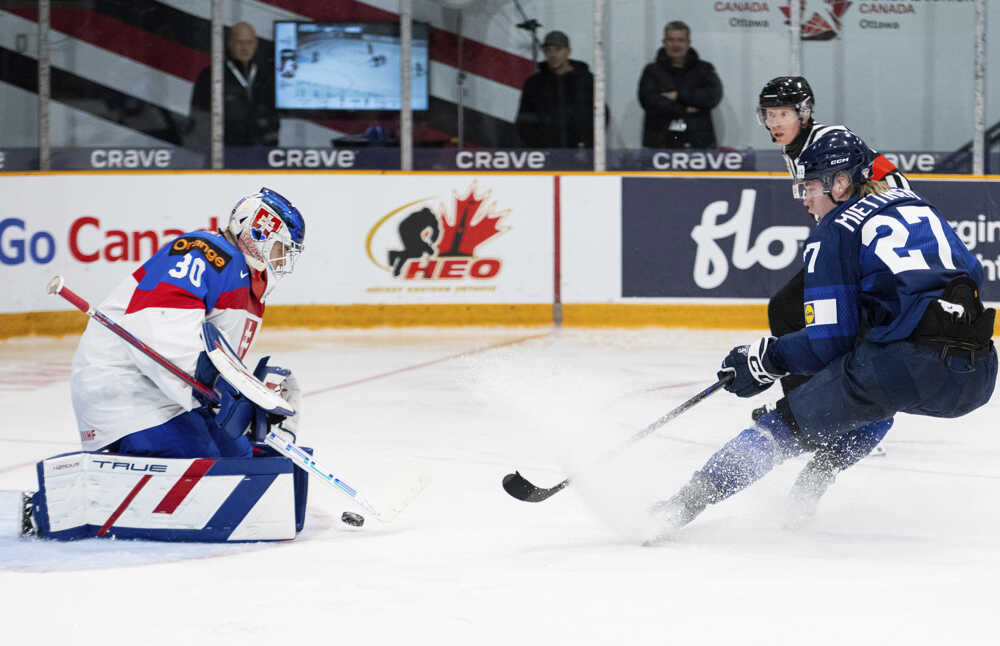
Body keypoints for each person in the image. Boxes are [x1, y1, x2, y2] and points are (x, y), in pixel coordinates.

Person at [649, 131, 997, 538]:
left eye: (810, 186)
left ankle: (679, 507)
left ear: (840, 182)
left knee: (787, 425)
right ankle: (816, 479)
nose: (805, 199)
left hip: (903, 370)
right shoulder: (917, 205)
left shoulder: (835, 230)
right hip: (977, 375)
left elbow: (827, 343)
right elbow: (971, 277)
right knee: (874, 380)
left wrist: (767, 359)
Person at [755, 76, 911, 513]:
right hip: (858, 239)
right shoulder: (799, 149)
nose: (775, 123)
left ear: (804, 113)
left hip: (873, 245)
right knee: (791, 309)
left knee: (797, 310)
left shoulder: (831, 139)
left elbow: (874, 189)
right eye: (769, 115)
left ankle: (820, 413)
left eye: (783, 114)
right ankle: (809, 407)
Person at [70, 187, 306, 459]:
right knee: (213, 467)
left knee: (243, 459)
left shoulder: (250, 284)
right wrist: (229, 391)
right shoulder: (202, 252)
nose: (284, 258)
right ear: (256, 231)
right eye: (281, 247)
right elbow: (158, 335)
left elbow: (212, 362)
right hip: (126, 393)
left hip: (167, 396)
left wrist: (254, 396)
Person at [189, 22, 279, 149]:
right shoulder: (211, 75)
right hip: (222, 156)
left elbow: (273, 122)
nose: (245, 48)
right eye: (239, 42)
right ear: (230, 43)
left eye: (249, 42)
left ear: (256, 44)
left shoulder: (265, 78)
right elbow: (200, 119)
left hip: (258, 157)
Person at [637, 21, 722, 149]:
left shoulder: (704, 69)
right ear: (664, 42)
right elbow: (648, 100)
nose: (675, 44)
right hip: (659, 143)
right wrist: (685, 109)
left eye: (680, 40)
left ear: (688, 43)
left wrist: (678, 95)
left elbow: (712, 97)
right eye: (671, 40)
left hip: (699, 144)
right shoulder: (651, 71)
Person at [515, 30, 597, 149]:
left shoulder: (586, 81)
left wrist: (586, 142)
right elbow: (524, 119)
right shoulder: (533, 83)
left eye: (558, 49)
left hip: (579, 154)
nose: (553, 55)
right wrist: (536, 147)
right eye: (548, 50)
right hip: (543, 155)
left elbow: (600, 115)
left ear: (568, 52)